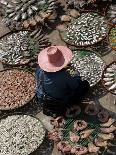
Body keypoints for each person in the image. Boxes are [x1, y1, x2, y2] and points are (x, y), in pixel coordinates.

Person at [36, 46, 90, 116]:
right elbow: (75, 86)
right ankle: (66, 106)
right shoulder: (63, 75)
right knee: (85, 85)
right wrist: (77, 75)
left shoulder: (39, 68)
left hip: (42, 98)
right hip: (58, 101)